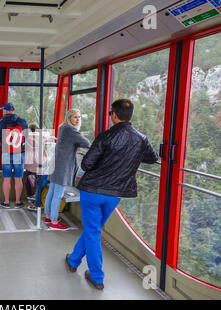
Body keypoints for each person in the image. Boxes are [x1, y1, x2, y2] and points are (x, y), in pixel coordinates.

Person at [65, 99, 159, 290]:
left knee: (93, 231)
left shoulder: (106, 136)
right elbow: (152, 157)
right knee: (94, 229)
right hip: (115, 193)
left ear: (114, 115)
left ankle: (97, 276)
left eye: (110, 113)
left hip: (93, 191)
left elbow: (86, 164)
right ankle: (74, 260)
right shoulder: (141, 139)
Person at [44, 109, 90, 230]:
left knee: (52, 191)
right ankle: (54, 222)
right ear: (69, 118)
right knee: (58, 194)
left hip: (56, 163)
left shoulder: (62, 128)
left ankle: (48, 216)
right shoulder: (71, 130)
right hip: (63, 166)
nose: (78, 119)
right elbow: (87, 142)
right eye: (75, 117)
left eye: (79, 117)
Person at [0, 102, 28, 208]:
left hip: (6, 152)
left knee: (7, 178)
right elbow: (26, 136)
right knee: (18, 178)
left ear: (6, 111)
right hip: (19, 152)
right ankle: (18, 202)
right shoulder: (22, 121)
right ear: (13, 110)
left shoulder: (0, 123)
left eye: (3, 110)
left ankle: (6, 202)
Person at [25, 124, 49, 212]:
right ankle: (36, 196)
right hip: (40, 162)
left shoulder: (27, 137)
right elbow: (47, 134)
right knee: (38, 181)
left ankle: (29, 195)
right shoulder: (42, 137)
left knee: (28, 179)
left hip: (30, 163)